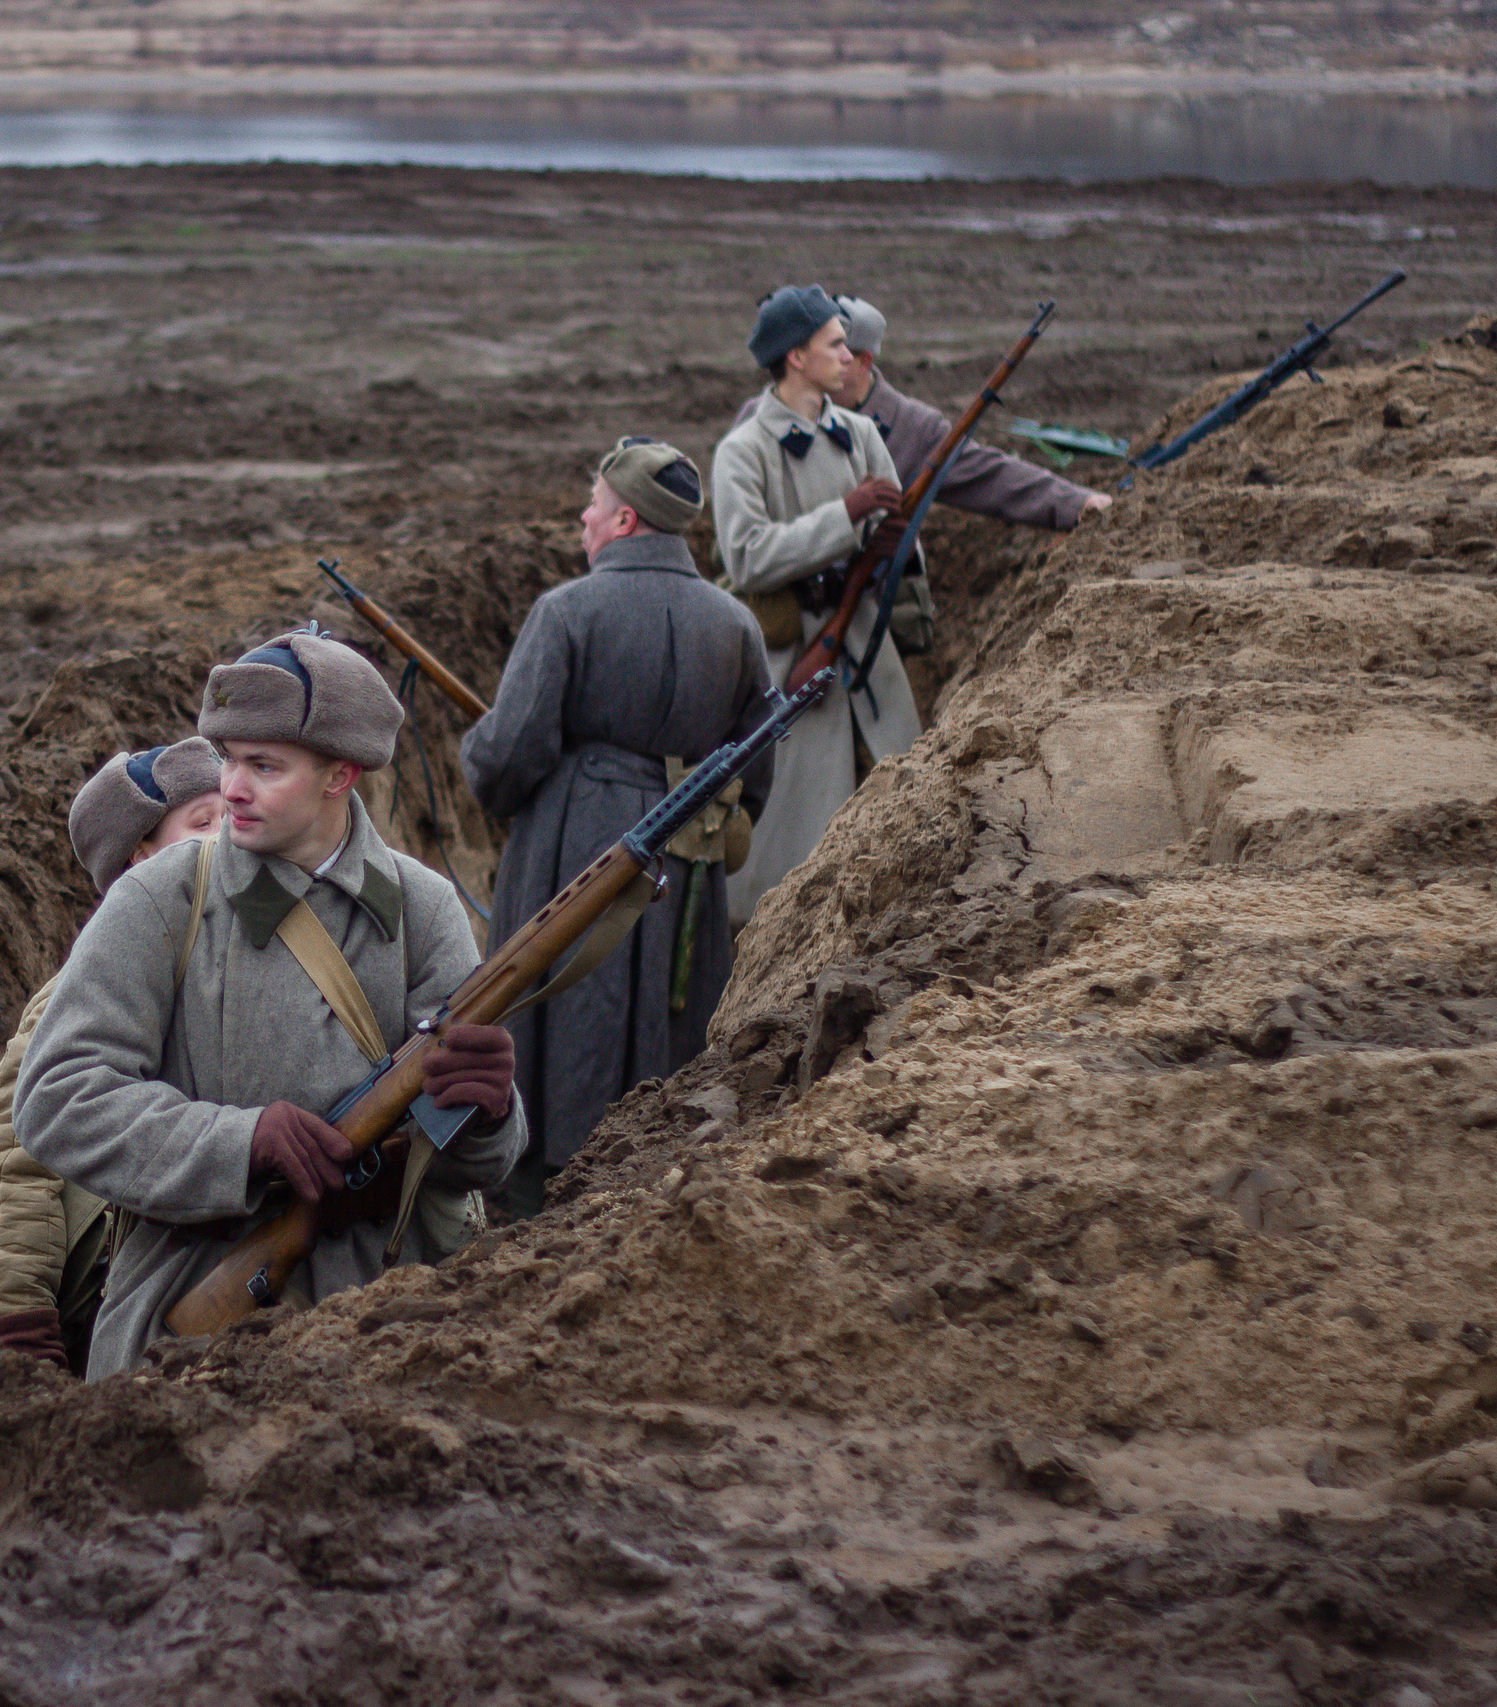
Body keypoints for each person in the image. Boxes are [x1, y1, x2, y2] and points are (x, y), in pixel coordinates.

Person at [16, 628, 523, 1379]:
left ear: (340, 774)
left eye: (264, 765)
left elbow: (474, 1165)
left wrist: (490, 1113)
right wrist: (240, 1142)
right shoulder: (161, 899)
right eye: (225, 758)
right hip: (193, 1316)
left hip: (396, 1322)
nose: (231, 789)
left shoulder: (424, 907)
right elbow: (55, 1098)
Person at [459, 437, 775, 1207]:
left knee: (561, 1004)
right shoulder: (735, 624)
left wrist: (481, 758)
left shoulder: (566, 610)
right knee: (673, 1020)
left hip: (574, 841)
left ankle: (539, 1188)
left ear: (625, 518)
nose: (584, 516)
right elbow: (755, 768)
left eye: (594, 505)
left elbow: (510, 754)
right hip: (686, 858)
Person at [0, 736, 224, 1369]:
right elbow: (7, 1160)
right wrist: (18, 1327)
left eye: (234, 816)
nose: (229, 838)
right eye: (203, 824)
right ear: (139, 859)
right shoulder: (77, 992)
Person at [713, 285, 914, 930]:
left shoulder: (859, 434)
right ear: (795, 357)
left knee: (901, 806)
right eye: (834, 343)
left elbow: (897, 537)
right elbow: (747, 557)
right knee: (791, 845)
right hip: (793, 656)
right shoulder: (741, 452)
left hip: (862, 648)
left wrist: (892, 539)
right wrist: (846, 515)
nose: (849, 355)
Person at [733, 293, 1113, 530]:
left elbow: (992, 475)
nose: (839, 357)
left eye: (843, 349)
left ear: (863, 360)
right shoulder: (758, 418)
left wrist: (1074, 502)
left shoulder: (910, 428)